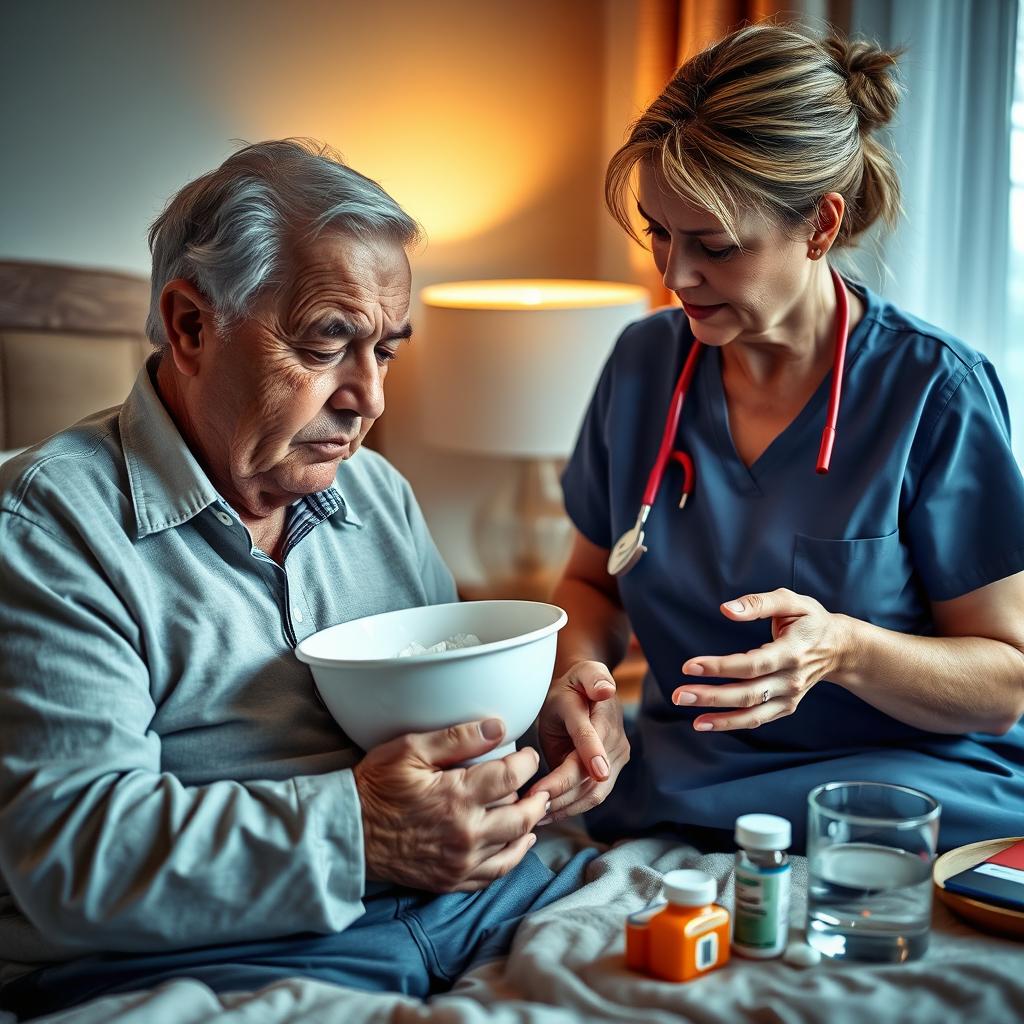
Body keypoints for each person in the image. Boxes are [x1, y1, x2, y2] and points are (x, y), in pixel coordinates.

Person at [0, 140, 592, 1019]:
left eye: (385, 352)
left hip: (484, 906)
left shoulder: (376, 494)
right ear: (192, 325)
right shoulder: (50, 527)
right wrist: (364, 834)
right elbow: (75, 852)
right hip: (226, 960)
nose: (369, 400)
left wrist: (543, 737)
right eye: (327, 344)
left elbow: (446, 722)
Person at [529, 23, 1024, 852]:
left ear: (821, 226)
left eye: (715, 246)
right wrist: (581, 682)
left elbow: (1006, 682)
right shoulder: (644, 364)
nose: (674, 273)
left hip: (893, 785)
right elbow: (592, 588)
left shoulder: (933, 391)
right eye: (658, 230)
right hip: (682, 776)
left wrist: (845, 651)